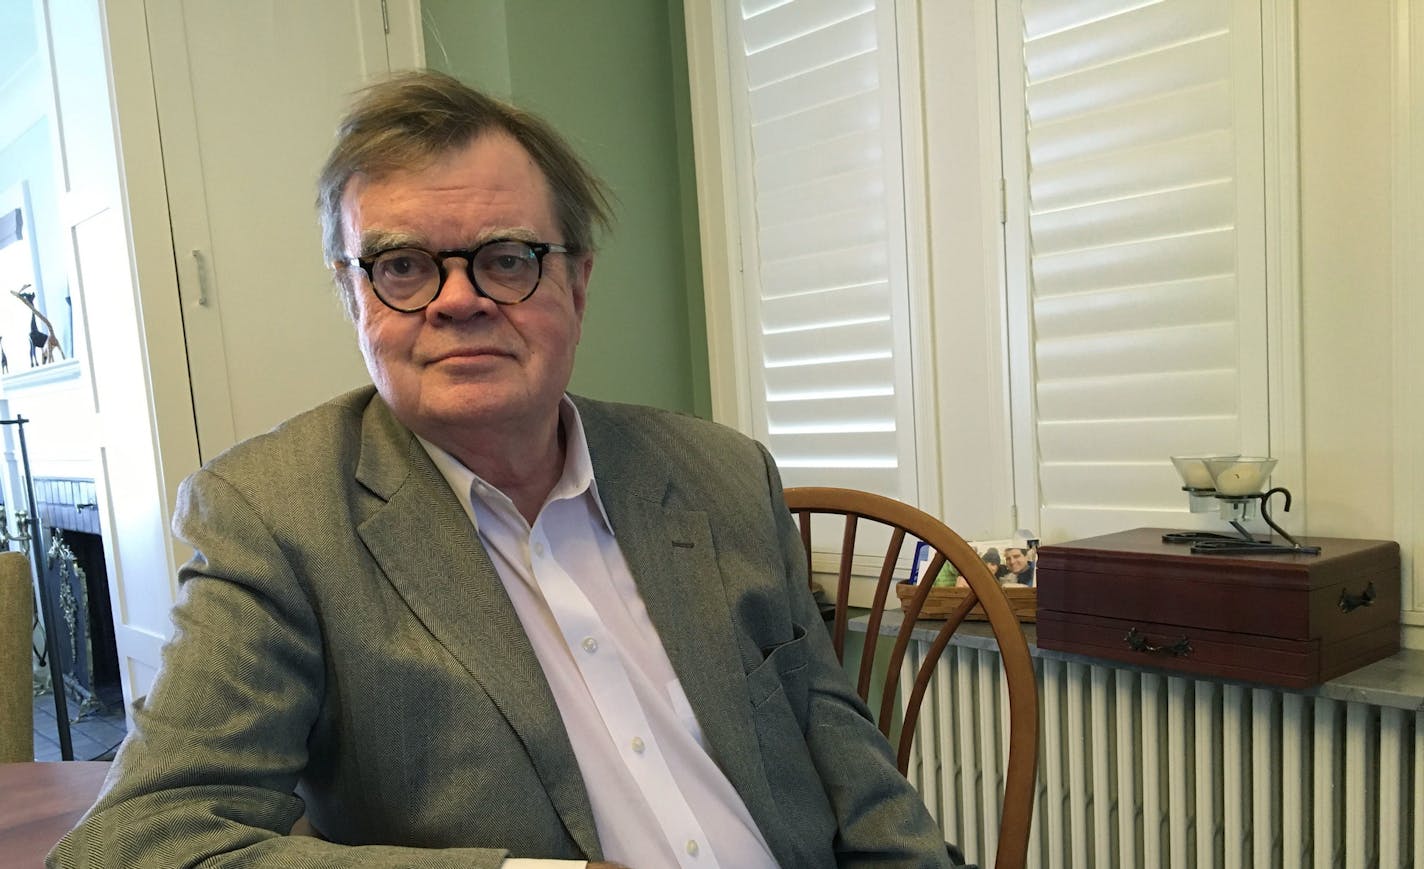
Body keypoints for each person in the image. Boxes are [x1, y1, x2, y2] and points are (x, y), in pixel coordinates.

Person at [49, 72, 953, 868]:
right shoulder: (273, 518)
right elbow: (139, 843)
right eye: (402, 265)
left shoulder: (722, 472)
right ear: (352, 296)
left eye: (505, 258)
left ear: (578, 282)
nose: (458, 300)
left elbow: (849, 766)